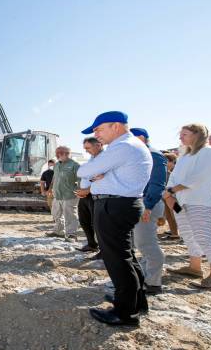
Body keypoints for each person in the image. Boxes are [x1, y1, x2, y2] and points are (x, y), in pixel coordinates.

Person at [77, 111, 152, 327]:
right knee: (126, 256)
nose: (96, 134)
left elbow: (84, 170)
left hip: (114, 206)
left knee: (117, 260)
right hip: (122, 204)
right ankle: (136, 302)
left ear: (116, 126)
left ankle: (124, 313)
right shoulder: (127, 147)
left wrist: (95, 174)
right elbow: (94, 173)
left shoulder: (123, 147)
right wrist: (99, 174)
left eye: (99, 129)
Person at [165, 124, 211, 289]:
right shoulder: (185, 155)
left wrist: (171, 190)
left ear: (197, 135)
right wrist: (168, 195)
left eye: (184, 134)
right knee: (187, 233)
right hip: (180, 202)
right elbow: (174, 176)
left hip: (200, 201)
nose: (180, 137)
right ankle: (195, 266)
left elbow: (197, 177)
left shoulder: (209, 152)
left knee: (204, 235)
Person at [130, 128, 167, 295]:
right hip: (140, 203)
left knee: (146, 243)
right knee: (140, 243)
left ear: (141, 138)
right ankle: (146, 277)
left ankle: (153, 283)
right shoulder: (141, 155)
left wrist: (149, 206)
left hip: (147, 204)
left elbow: (157, 184)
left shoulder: (154, 155)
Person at [74, 137, 102, 254]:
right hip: (85, 195)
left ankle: (103, 250)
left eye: (88, 148)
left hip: (97, 195)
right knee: (84, 221)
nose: (86, 151)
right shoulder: (91, 159)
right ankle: (92, 244)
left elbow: (103, 179)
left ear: (98, 145)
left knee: (98, 224)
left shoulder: (105, 159)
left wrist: (87, 190)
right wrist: (82, 190)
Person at [46, 146, 80, 240]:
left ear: (66, 154)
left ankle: (71, 235)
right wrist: (50, 188)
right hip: (57, 194)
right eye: (56, 153)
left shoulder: (75, 165)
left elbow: (81, 179)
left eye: (59, 153)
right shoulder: (57, 165)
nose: (57, 156)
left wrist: (79, 190)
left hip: (69, 195)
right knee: (56, 214)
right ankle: (59, 231)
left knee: (70, 215)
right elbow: (55, 177)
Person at [159, 152, 180, 240]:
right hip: (165, 198)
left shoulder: (175, 173)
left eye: (166, 161)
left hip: (175, 198)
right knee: (169, 216)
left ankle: (181, 233)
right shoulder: (164, 172)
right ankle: (174, 233)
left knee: (177, 215)